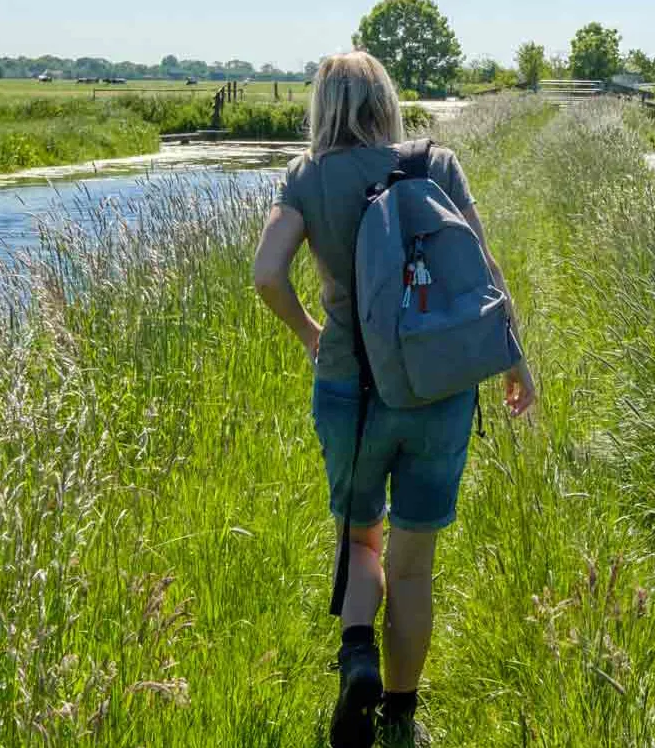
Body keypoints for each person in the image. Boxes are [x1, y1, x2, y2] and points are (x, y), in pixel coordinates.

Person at [252, 52, 535, 747]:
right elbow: (485, 269)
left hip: (349, 388)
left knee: (360, 540)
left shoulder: (307, 176)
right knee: (414, 563)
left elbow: (266, 274)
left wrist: (311, 333)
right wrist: (515, 358)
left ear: (323, 106)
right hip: (439, 388)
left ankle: (357, 655)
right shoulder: (435, 165)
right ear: (386, 100)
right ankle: (401, 717)